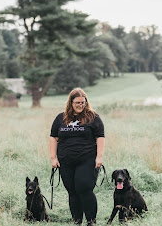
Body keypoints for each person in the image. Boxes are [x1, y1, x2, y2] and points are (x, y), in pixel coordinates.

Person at [49, 87, 105, 226]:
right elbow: (53, 138)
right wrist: (53, 158)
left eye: (83, 102)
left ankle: (91, 221)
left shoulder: (93, 117)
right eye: (77, 103)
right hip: (66, 161)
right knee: (72, 191)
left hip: (87, 159)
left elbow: (100, 137)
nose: (80, 105)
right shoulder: (60, 118)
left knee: (84, 188)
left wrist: (99, 157)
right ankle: (77, 220)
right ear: (71, 103)